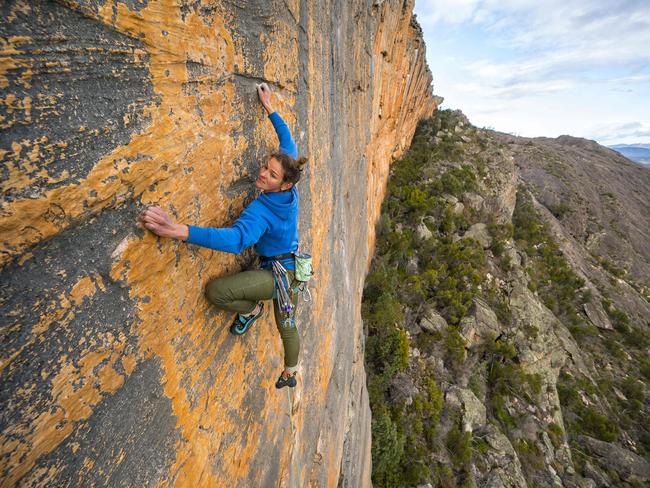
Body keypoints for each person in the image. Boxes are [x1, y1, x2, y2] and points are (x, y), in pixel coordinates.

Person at [137, 83, 307, 389]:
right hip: (292, 268)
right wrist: (268, 105)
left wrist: (177, 230)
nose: (263, 173)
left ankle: (276, 349)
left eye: (270, 174)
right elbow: (287, 139)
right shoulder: (290, 176)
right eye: (266, 167)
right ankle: (282, 356)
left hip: (279, 275)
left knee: (219, 293)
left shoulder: (262, 212)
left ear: (283, 184)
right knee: (287, 323)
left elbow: (235, 240)